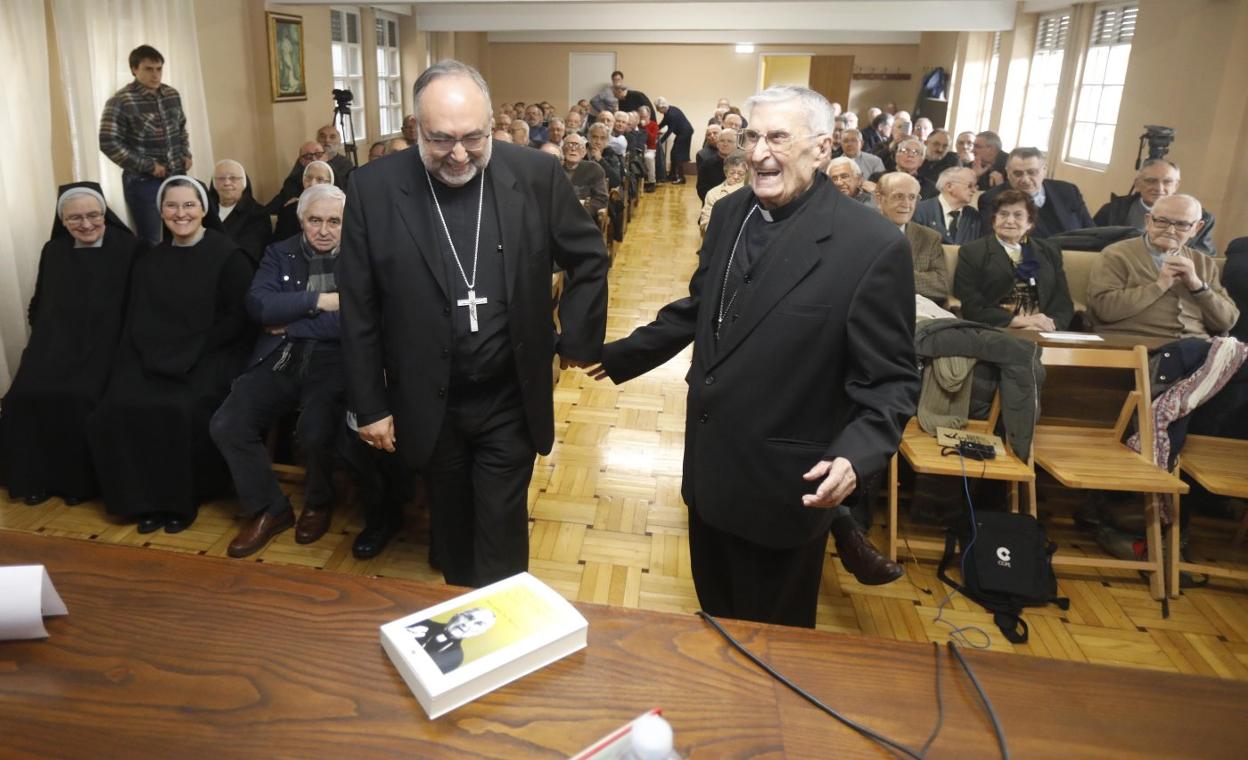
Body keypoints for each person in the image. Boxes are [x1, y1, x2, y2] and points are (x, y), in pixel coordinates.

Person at [588, 85, 917, 628]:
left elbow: (891, 381)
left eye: (779, 138)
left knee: (774, 650)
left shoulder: (872, 246)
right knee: (716, 623)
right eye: (753, 136)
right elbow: (705, 305)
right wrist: (623, 354)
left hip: (784, 491)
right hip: (710, 476)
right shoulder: (731, 211)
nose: (759, 153)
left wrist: (855, 457)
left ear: (822, 147)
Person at [339, 60, 609, 589]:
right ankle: (466, 623)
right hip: (428, 399)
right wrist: (369, 404)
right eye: (441, 140)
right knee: (453, 530)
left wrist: (575, 338)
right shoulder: (373, 187)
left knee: (503, 530)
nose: (459, 154)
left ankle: (508, 631)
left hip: (508, 393)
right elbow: (359, 304)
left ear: (490, 125)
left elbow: (588, 256)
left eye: (473, 138)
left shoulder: (534, 174)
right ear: (416, 128)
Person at [86, 177, 254, 534]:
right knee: (119, 405)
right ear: (160, 211)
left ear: (203, 209)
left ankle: (181, 501)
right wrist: (147, 355)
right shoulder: (149, 258)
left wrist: (188, 351)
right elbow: (136, 316)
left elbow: (238, 320)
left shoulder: (228, 255)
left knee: (180, 408)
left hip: (211, 355)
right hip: (153, 354)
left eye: (189, 205)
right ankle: (143, 501)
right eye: (172, 206)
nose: (181, 213)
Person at [210, 184, 349, 558]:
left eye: (334, 221)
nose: (324, 230)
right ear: (302, 220)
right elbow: (260, 307)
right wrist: (321, 300)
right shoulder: (279, 252)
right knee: (228, 423)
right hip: (281, 355)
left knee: (315, 430)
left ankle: (319, 502)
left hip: (336, 360)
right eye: (315, 220)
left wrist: (294, 321)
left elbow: (361, 321)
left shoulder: (361, 257)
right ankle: (270, 509)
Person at [1, 184, 142, 506]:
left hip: (108, 347)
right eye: (75, 218)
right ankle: (36, 480)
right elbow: (39, 303)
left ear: (105, 215)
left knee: (80, 396)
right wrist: (42, 343)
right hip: (55, 346)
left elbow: (140, 306)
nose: (86, 224)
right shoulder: (54, 251)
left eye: (94, 215)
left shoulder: (130, 248)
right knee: (22, 397)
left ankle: (78, 485)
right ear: (62, 221)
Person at [1087, 194, 1238, 340]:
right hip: (1139, 345)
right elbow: (1104, 310)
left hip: (1195, 347)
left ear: (1196, 229)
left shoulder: (1203, 263)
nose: (1170, 230)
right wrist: (1159, 286)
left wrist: (1197, 286)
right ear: (1148, 221)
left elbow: (1226, 321)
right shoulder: (1116, 255)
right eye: (1162, 221)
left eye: (1182, 224)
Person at [99, 45, 192, 244]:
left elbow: (181, 128)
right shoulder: (120, 101)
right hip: (143, 182)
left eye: (159, 69)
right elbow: (108, 142)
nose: (155, 75)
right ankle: (152, 275)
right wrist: (148, 166)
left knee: (182, 231)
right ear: (134, 69)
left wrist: (186, 153)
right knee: (152, 239)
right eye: (149, 69)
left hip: (177, 175)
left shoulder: (172, 95)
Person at [954, 188, 1074, 332]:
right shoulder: (973, 252)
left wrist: (1051, 326)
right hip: (997, 329)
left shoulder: (1050, 251)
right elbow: (972, 306)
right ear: (993, 220)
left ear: (1030, 223)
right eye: (1003, 214)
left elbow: (1063, 303)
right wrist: (1019, 322)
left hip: (1044, 329)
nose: (1010, 221)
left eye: (1018, 215)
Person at [1092, 159, 1217, 255]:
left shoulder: (1199, 218)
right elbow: (1089, 244)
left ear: (1176, 185)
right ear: (1137, 184)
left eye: (1167, 182)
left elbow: (1204, 258)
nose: (1159, 188)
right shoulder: (1112, 210)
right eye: (1151, 181)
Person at [978, 147, 1094, 238]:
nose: (1025, 179)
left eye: (1032, 172)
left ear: (1044, 170)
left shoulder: (1067, 191)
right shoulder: (991, 199)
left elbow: (1090, 232)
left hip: (1076, 257)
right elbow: (994, 242)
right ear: (1008, 173)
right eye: (1017, 174)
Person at [875, 172, 948, 305]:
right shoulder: (861, 234)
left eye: (912, 197)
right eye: (899, 196)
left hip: (919, 314)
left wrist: (895, 274)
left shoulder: (930, 237)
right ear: (879, 199)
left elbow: (941, 286)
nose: (907, 204)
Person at [209, 159, 271, 265]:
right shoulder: (204, 211)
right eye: (221, 178)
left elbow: (249, 252)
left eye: (233, 178)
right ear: (214, 184)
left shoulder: (258, 213)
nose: (227, 183)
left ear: (244, 183)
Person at [406, 607, 496, 674]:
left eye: (479, 624)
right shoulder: (419, 622)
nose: (467, 624)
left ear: (480, 633)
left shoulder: (456, 658)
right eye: (468, 617)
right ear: (457, 614)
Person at [913, 166, 982, 245]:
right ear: (949, 187)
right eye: (970, 185)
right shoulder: (920, 211)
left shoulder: (974, 216)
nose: (974, 190)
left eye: (975, 186)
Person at [274, 161, 334, 243]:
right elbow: (279, 244)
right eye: (308, 178)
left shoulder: (341, 210)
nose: (312, 184)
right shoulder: (290, 210)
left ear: (331, 183)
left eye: (320, 179)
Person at [265, 140, 328, 214]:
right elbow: (269, 210)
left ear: (326, 157)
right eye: (308, 156)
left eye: (318, 154)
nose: (314, 159)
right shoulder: (293, 182)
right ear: (301, 161)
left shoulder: (337, 177)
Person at [869, 137, 938, 199]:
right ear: (896, 157)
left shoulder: (930, 188)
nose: (910, 155)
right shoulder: (878, 178)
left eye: (916, 152)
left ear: (921, 161)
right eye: (905, 150)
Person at [698, 152, 748, 234]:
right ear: (725, 172)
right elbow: (705, 223)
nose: (736, 177)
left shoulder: (752, 192)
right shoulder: (713, 193)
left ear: (746, 173)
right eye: (732, 173)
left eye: (740, 173)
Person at [562, 133, 608, 216]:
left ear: (584, 152)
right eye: (569, 145)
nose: (573, 149)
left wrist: (582, 211)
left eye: (578, 146)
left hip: (583, 218)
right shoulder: (556, 168)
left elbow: (602, 199)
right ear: (563, 150)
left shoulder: (594, 169)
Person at [656, 97, 694, 184]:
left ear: (663, 107)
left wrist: (660, 142)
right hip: (682, 133)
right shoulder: (669, 111)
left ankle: (681, 178)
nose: (658, 111)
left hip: (685, 133)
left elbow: (670, 131)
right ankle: (672, 175)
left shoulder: (672, 114)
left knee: (677, 154)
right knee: (673, 153)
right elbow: (663, 123)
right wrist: (655, 129)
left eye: (658, 109)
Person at [696, 129, 736, 203]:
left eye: (730, 141)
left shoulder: (742, 164)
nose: (725, 144)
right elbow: (701, 189)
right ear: (717, 144)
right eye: (722, 141)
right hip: (712, 204)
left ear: (736, 144)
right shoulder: (707, 164)